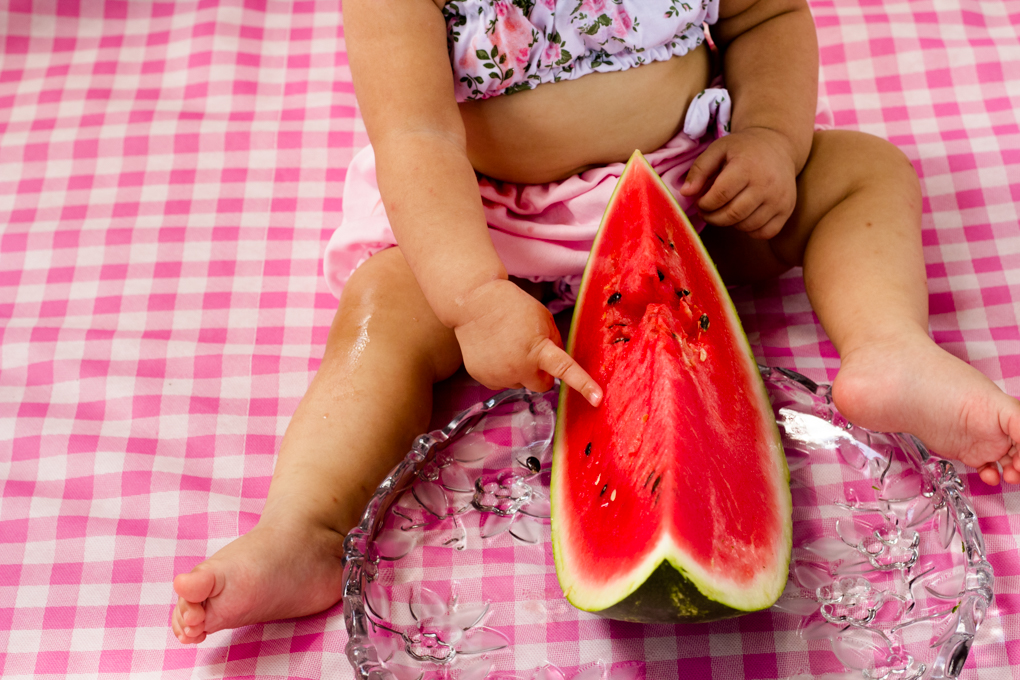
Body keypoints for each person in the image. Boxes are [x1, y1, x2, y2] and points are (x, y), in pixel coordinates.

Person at [170, 0, 1020, 644]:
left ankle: (888, 347)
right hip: (489, 225)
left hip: (689, 187)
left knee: (863, 171)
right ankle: (307, 528)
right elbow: (416, 137)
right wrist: (470, 296)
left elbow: (767, 19)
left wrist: (769, 138)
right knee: (383, 313)